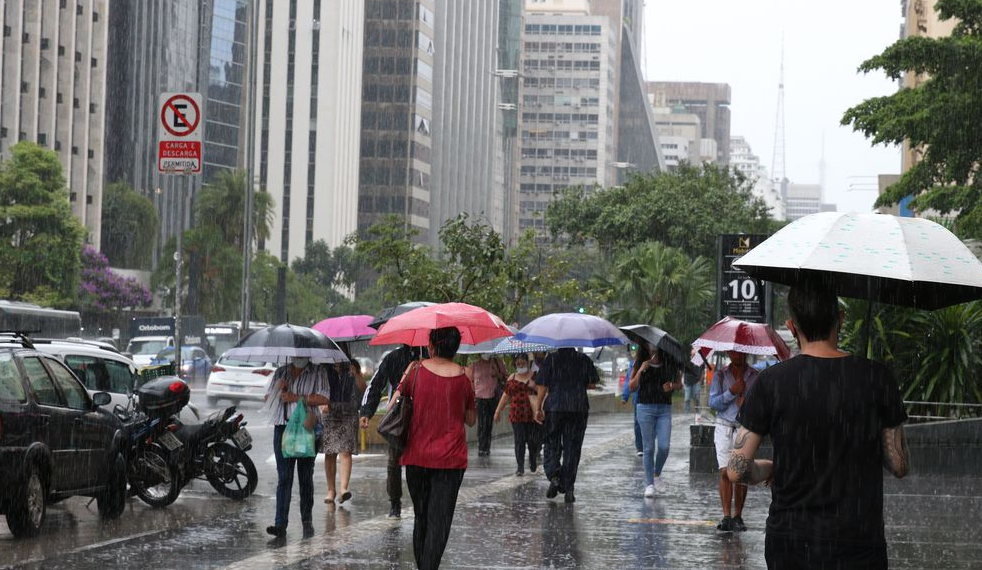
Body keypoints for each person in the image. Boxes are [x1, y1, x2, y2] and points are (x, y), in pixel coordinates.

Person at [728, 280, 910, 570]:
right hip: (859, 541)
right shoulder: (877, 377)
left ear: (791, 325)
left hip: (791, 540)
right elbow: (899, 465)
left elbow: (736, 471)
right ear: (839, 318)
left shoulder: (771, 382)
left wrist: (770, 467)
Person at [393, 327, 476, 570]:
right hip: (450, 461)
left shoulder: (414, 370)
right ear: (456, 348)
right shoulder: (465, 375)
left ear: (430, 345)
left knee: (422, 517)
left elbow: (392, 406)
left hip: (417, 457)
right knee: (439, 521)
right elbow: (471, 419)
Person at [263, 357, 332, 539]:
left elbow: (324, 397)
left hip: (306, 429)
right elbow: (267, 399)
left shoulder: (318, 372)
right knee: (284, 478)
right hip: (283, 429)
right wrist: (279, 388)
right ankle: (280, 524)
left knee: (305, 476)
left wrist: (295, 397)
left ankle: (306, 520)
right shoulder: (281, 372)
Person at [359, 344, 420, 518]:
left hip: (423, 417)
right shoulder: (393, 358)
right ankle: (395, 502)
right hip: (399, 417)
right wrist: (366, 411)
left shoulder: (430, 357)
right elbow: (376, 384)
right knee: (394, 461)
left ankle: (420, 500)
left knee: (419, 464)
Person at [533, 347, 599, 503]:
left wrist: (538, 408)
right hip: (578, 408)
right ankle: (568, 488)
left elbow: (542, 385)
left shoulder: (551, 359)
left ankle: (554, 475)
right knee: (573, 448)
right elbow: (592, 384)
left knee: (551, 443)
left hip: (555, 408)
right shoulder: (583, 359)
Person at [708, 350, 759, 532]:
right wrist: (732, 392)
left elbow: (762, 403)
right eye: (734, 352)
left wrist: (748, 403)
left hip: (744, 428)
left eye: (740, 352)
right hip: (724, 427)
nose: (737, 355)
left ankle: (738, 516)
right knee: (724, 472)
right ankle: (726, 516)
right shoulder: (720, 375)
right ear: (729, 353)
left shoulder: (755, 376)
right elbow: (713, 404)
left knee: (741, 473)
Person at [628, 343, 683, 498]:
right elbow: (631, 387)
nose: (652, 345)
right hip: (645, 408)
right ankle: (649, 484)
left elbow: (680, 384)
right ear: (645, 345)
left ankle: (656, 474)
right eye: (648, 342)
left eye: (655, 343)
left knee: (664, 446)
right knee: (648, 448)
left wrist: (672, 385)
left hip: (664, 409)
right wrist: (640, 370)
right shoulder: (640, 362)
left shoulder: (669, 362)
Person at [321, 348, 367, 505]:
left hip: (348, 411)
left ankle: (343, 489)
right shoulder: (325, 367)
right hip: (330, 411)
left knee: (345, 450)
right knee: (330, 452)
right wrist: (324, 402)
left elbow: (363, 388)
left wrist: (357, 373)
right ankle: (330, 490)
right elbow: (320, 388)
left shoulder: (352, 366)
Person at [493, 353, 541, 476]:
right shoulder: (512, 378)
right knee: (519, 441)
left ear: (527, 362)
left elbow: (543, 391)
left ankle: (532, 460)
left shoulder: (535, 376)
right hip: (516, 414)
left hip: (532, 414)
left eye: (523, 362)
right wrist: (498, 411)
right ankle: (520, 467)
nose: (520, 364)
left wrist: (534, 386)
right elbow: (505, 396)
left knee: (532, 440)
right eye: (518, 362)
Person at [620, 351, 643, 456]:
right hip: (638, 398)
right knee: (638, 423)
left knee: (648, 424)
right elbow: (629, 380)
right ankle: (640, 447)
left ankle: (647, 445)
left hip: (651, 399)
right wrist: (625, 396)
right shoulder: (634, 364)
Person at [683, 349, 705, 415]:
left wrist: (700, 380)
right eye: (693, 354)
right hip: (687, 382)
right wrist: (682, 380)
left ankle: (697, 413)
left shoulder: (700, 361)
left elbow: (703, 371)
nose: (694, 355)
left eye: (695, 354)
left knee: (697, 398)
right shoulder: (686, 360)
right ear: (691, 354)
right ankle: (686, 414)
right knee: (687, 398)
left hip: (696, 382)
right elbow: (682, 371)